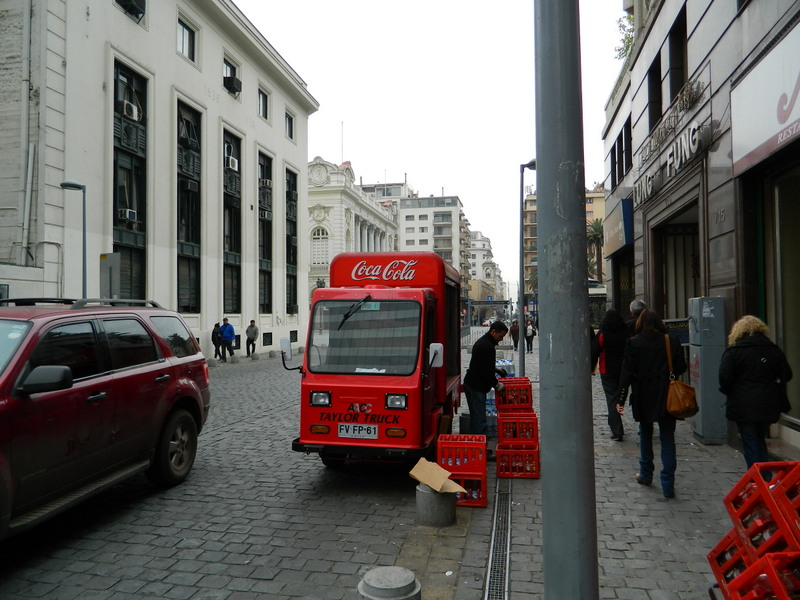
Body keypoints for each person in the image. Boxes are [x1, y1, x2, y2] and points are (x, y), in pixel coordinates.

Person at [615, 309, 686, 499]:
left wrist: (620, 400)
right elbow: (681, 367)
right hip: (666, 395)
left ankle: (646, 473)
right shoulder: (670, 341)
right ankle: (668, 484)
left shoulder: (633, 343)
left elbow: (627, 373)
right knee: (667, 438)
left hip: (643, 395)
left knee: (645, 434)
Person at [719, 315, 793, 470]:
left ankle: (756, 479)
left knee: (749, 440)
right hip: (768, 401)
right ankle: (763, 476)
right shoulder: (773, 350)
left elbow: (724, 379)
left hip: (743, 403)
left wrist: (731, 391)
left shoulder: (734, 352)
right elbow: (786, 374)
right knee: (759, 438)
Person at [463, 321, 509, 445]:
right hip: (475, 386)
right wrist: (496, 384)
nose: (501, 340)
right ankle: (480, 448)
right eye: (500, 336)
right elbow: (485, 371)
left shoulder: (486, 343)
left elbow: (484, 364)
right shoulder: (486, 346)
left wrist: (496, 370)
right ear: (493, 331)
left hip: (475, 384)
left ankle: (476, 444)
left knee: (477, 417)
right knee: (479, 419)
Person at [593, 309, 628, 441]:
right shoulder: (626, 333)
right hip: (624, 370)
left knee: (612, 399)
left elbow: (595, 351)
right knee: (620, 397)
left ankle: (617, 429)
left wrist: (591, 368)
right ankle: (616, 422)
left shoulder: (603, 334)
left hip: (607, 370)